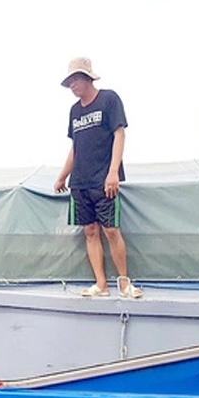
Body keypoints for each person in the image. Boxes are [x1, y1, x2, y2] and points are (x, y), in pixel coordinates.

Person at [54, 57, 143, 299]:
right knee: (90, 231)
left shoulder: (109, 99)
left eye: (75, 80)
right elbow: (76, 148)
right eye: (69, 82)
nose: (72, 85)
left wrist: (113, 171)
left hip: (104, 182)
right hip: (80, 183)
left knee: (111, 230)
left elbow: (119, 134)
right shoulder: (74, 111)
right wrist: (63, 176)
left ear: (88, 78)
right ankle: (101, 284)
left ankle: (124, 284)